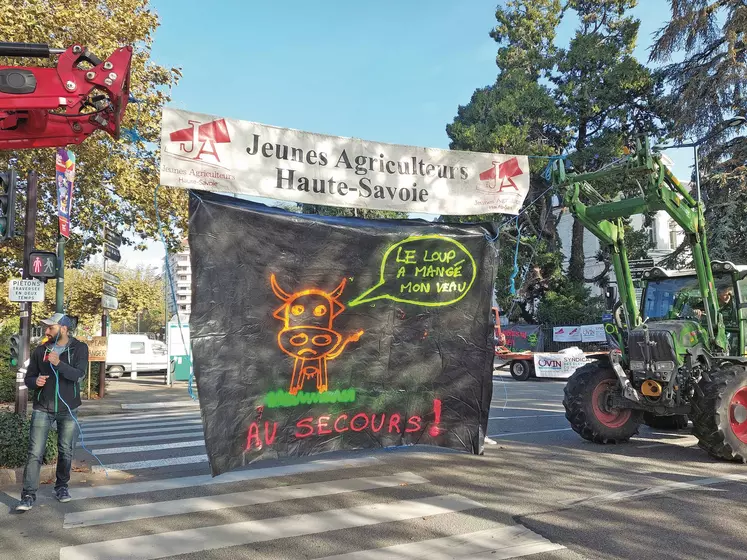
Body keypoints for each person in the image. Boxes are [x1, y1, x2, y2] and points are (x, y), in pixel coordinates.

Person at [15, 313, 89, 512]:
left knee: (66, 450)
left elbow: (79, 375)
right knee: (34, 452)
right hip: (43, 408)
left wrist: (59, 363)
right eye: (46, 328)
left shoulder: (79, 348)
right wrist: (34, 382)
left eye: (51, 328)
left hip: (68, 409)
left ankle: (62, 487)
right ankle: (28, 495)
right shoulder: (40, 350)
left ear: (63, 329)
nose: (46, 331)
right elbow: (29, 377)